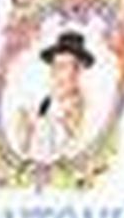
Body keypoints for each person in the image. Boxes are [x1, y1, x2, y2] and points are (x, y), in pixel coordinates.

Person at [15, 29, 96, 163]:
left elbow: (75, 145)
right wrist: (28, 128)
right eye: (54, 66)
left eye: (62, 67)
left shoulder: (87, 108)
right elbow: (26, 151)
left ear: (78, 70)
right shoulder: (45, 103)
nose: (54, 74)